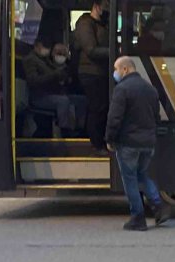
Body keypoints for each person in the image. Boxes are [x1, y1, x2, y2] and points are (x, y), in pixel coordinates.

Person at [105, 56, 170, 231]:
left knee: (130, 180)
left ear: (125, 69)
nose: (115, 73)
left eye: (116, 69)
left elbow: (114, 118)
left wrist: (110, 139)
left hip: (128, 143)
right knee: (143, 175)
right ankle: (159, 208)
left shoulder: (122, 89)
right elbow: (156, 117)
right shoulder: (150, 89)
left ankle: (138, 218)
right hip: (148, 142)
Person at [23, 39, 88, 137]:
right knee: (63, 101)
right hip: (40, 96)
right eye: (44, 46)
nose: (47, 49)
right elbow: (33, 81)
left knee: (82, 100)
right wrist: (55, 75)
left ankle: (79, 128)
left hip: (54, 92)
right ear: (36, 46)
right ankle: (65, 130)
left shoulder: (44, 60)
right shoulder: (31, 60)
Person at [75, 0, 110, 152]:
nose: (107, 10)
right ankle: (96, 144)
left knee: (103, 107)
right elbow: (91, 50)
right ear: (96, 6)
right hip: (90, 72)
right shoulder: (85, 23)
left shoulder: (103, 25)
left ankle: (100, 141)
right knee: (97, 107)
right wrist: (114, 51)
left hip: (101, 72)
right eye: (106, 6)